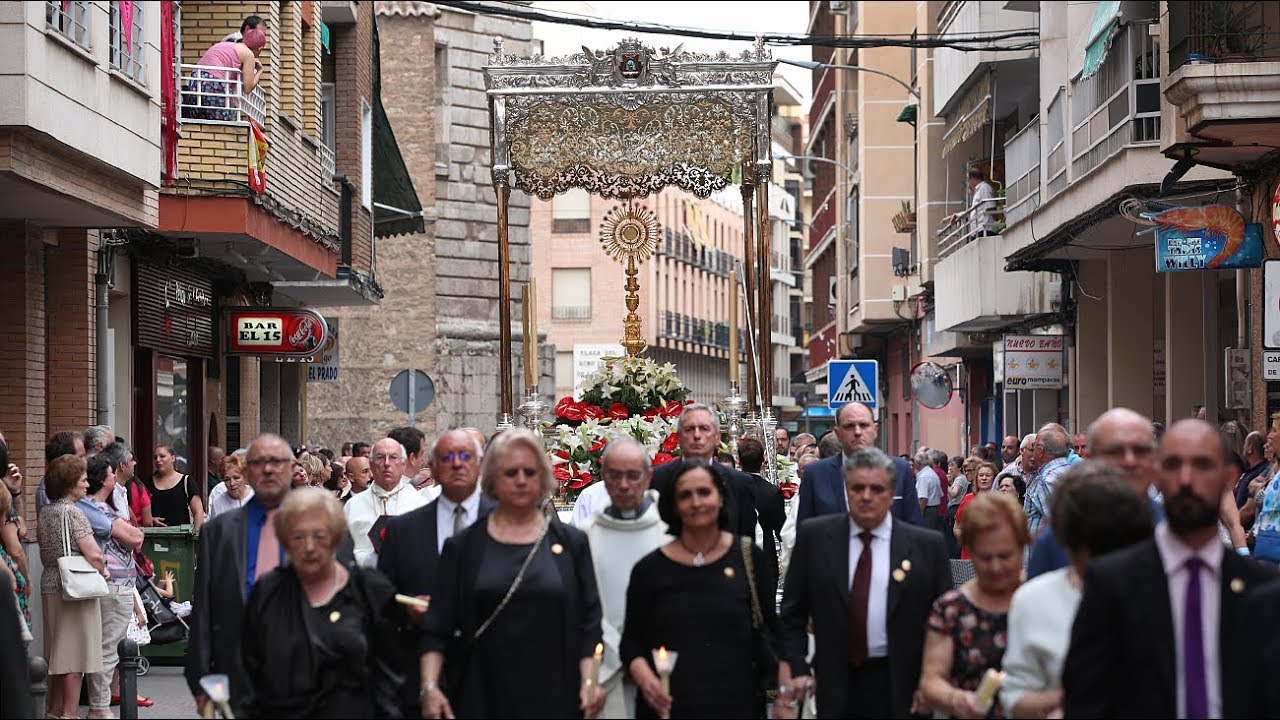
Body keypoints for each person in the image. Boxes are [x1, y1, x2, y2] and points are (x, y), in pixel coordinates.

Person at [1062, 419, 1272, 717]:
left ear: (1228, 478)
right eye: (1173, 464)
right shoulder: (1112, 584)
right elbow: (1087, 700)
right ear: (1156, 474)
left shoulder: (1264, 590)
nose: (1187, 479)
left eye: (1202, 465)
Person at [420, 429, 604, 719]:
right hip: (482, 692)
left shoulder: (571, 542)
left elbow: (590, 620)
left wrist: (589, 680)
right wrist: (430, 687)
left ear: (543, 477)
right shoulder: (464, 546)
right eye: (511, 472)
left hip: (557, 693)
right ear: (492, 477)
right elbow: (436, 626)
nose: (521, 480)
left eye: (530, 472)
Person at [777, 448, 951, 719]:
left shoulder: (926, 546)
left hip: (903, 684)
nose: (867, 496)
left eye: (877, 488)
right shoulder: (816, 537)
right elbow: (792, 612)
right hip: (834, 682)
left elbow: (943, 622)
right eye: (858, 488)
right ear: (846, 490)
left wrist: (931, 681)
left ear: (892, 492)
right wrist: (798, 670)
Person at [621, 459, 778, 719]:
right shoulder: (649, 569)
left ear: (721, 498)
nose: (696, 503)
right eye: (685, 495)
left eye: (704, 492)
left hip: (736, 705)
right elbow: (632, 642)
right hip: (667, 706)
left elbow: (772, 630)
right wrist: (646, 678)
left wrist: (783, 694)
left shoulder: (749, 558)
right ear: (674, 505)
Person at [1000, 462, 1152, 718]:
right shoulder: (1033, 600)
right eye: (1087, 544)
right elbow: (1014, 695)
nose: (1100, 560)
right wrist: (1069, 699)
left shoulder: (1160, 592)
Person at [241, 488, 401, 717]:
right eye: (298, 536)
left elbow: (390, 675)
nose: (309, 547)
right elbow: (249, 672)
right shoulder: (268, 592)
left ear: (335, 538)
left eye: (319, 536)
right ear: (285, 540)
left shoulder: (368, 590)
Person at [378, 429, 493, 717]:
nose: (456, 464)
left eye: (465, 456)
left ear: (480, 466)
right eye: (446, 457)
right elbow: (381, 602)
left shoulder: (504, 524)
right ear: (433, 468)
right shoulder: (402, 531)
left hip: (490, 673)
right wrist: (409, 612)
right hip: (418, 675)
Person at [186, 434, 295, 717]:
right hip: (238, 668)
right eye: (259, 462)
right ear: (247, 472)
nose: (269, 469)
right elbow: (204, 608)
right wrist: (199, 679)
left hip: (304, 667)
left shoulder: (320, 524)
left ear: (292, 468)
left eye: (277, 462)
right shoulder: (218, 532)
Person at [918, 492, 1030, 719]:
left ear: (1022, 546)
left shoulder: (1040, 600)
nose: (996, 567)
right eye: (985, 558)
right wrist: (956, 699)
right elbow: (931, 680)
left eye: (1005, 556)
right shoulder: (952, 609)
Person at [580, 438, 668, 719]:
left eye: (633, 475)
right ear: (602, 475)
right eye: (614, 475)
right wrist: (623, 658)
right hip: (604, 667)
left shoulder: (669, 533)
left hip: (659, 664)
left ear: (649, 476)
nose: (624, 485)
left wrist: (641, 659)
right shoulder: (585, 536)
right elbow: (583, 606)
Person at [1026, 407, 1162, 579]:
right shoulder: (1058, 538)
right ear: (1092, 458)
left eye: (1141, 450)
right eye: (1115, 451)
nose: (1130, 461)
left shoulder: (1176, 529)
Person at [38, 455, 108, 720]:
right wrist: (104, 568)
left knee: (57, 654)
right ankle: (69, 714)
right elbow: (93, 553)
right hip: (75, 588)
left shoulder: (46, 512)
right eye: (82, 479)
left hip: (51, 583)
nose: (87, 484)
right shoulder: (74, 512)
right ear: (69, 484)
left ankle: (54, 712)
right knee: (74, 658)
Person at [83, 454, 144, 719]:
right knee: (108, 649)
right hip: (113, 584)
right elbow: (135, 536)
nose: (114, 477)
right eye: (110, 473)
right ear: (104, 480)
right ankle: (99, 707)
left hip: (114, 584)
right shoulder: (96, 509)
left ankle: (100, 704)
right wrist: (129, 532)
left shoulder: (98, 507)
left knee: (106, 647)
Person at [796, 402, 923, 527]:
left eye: (863, 425)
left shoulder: (900, 469)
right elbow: (805, 533)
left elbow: (914, 526)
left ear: (875, 429)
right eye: (849, 426)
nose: (857, 432)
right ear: (837, 433)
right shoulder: (815, 474)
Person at [649, 404, 759, 538]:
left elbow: (746, 540)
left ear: (717, 437)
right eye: (689, 429)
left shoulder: (739, 483)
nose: (696, 435)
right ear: (679, 437)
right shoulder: (656, 478)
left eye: (704, 429)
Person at [345, 437, 429, 568]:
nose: (386, 463)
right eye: (380, 457)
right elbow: (343, 552)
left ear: (403, 465)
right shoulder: (353, 505)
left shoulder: (420, 504)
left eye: (393, 457)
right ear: (371, 465)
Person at [183, 28, 266, 122]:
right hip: (213, 83)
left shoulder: (227, 45)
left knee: (198, 121)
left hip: (195, 80)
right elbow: (247, 88)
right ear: (260, 48)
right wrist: (260, 71)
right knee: (221, 125)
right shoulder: (248, 54)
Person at [737, 438, 785, 586]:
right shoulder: (772, 492)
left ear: (738, 460)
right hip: (765, 555)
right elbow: (780, 529)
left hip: (736, 555)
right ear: (764, 460)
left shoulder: (732, 487)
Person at [1023, 425, 1071, 538]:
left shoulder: (1045, 480)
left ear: (1040, 451)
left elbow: (1063, 526)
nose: (1033, 450)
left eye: (1034, 446)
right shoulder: (1073, 472)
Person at [144, 444, 204, 531]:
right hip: (155, 537)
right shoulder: (147, 483)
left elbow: (198, 511)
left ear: (173, 458)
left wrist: (196, 536)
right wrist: (150, 520)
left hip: (182, 537)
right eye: (155, 457)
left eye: (162, 456)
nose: (158, 460)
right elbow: (140, 511)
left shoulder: (186, 481)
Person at [953, 461, 998, 559]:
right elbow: (956, 527)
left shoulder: (999, 501)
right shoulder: (968, 499)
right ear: (976, 478)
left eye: (988, 475)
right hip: (969, 554)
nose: (984, 478)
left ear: (994, 478)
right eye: (981, 475)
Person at [945, 168, 998, 238]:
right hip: (978, 230)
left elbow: (990, 207)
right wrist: (956, 215)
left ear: (973, 178)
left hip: (985, 229)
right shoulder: (978, 191)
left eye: (968, 179)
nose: (968, 182)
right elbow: (973, 211)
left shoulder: (984, 188)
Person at [206, 454, 254, 521]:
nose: (232, 483)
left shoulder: (257, 498)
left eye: (236, 478)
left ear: (245, 477)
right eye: (227, 479)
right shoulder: (218, 502)